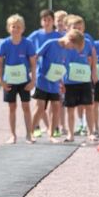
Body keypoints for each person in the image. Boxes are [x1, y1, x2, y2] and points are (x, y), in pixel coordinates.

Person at [35, 29, 85, 141]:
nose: (72, 49)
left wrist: (62, 82)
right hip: (42, 80)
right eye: (73, 46)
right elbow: (36, 56)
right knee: (40, 108)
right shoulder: (51, 43)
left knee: (56, 108)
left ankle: (51, 135)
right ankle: (30, 132)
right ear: (70, 40)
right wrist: (34, 72)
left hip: (55, 82)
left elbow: (61, 67)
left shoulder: (66, 51)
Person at [0, 14, 36, 144]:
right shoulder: (4, 44)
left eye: (19, 27)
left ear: (23, 29)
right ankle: (13, 135)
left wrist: (33, 80)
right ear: (9, 28)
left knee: (26, 107)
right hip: (9, 81)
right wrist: (1, 80)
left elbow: (33, 62)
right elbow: (0, 62)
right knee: (11, 107)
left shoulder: (28, 43)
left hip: (24, 81)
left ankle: (29, 135)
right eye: (13, 27)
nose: (16, 29)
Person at [62, 25, 97, 142]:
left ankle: (90, 133)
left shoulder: (87, 42)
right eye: (74, 26)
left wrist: (94, 72)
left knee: (89, 107)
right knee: (70, 108)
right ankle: (70, 134)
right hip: (69, 81)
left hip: (84, 80)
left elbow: (93, 56)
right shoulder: (65, 43)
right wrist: (61, 80)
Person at [28, 9, 60, 137]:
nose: (46, 22)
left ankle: (52, 130)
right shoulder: (35, 35)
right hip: (39, 74)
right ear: (41, 22)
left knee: (55, 105)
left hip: (55, 75)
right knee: (39, 105)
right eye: (44, 20)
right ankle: (33, 129)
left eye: (49, 20)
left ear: (53, 21)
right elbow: (25, 45)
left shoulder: (59, 36)